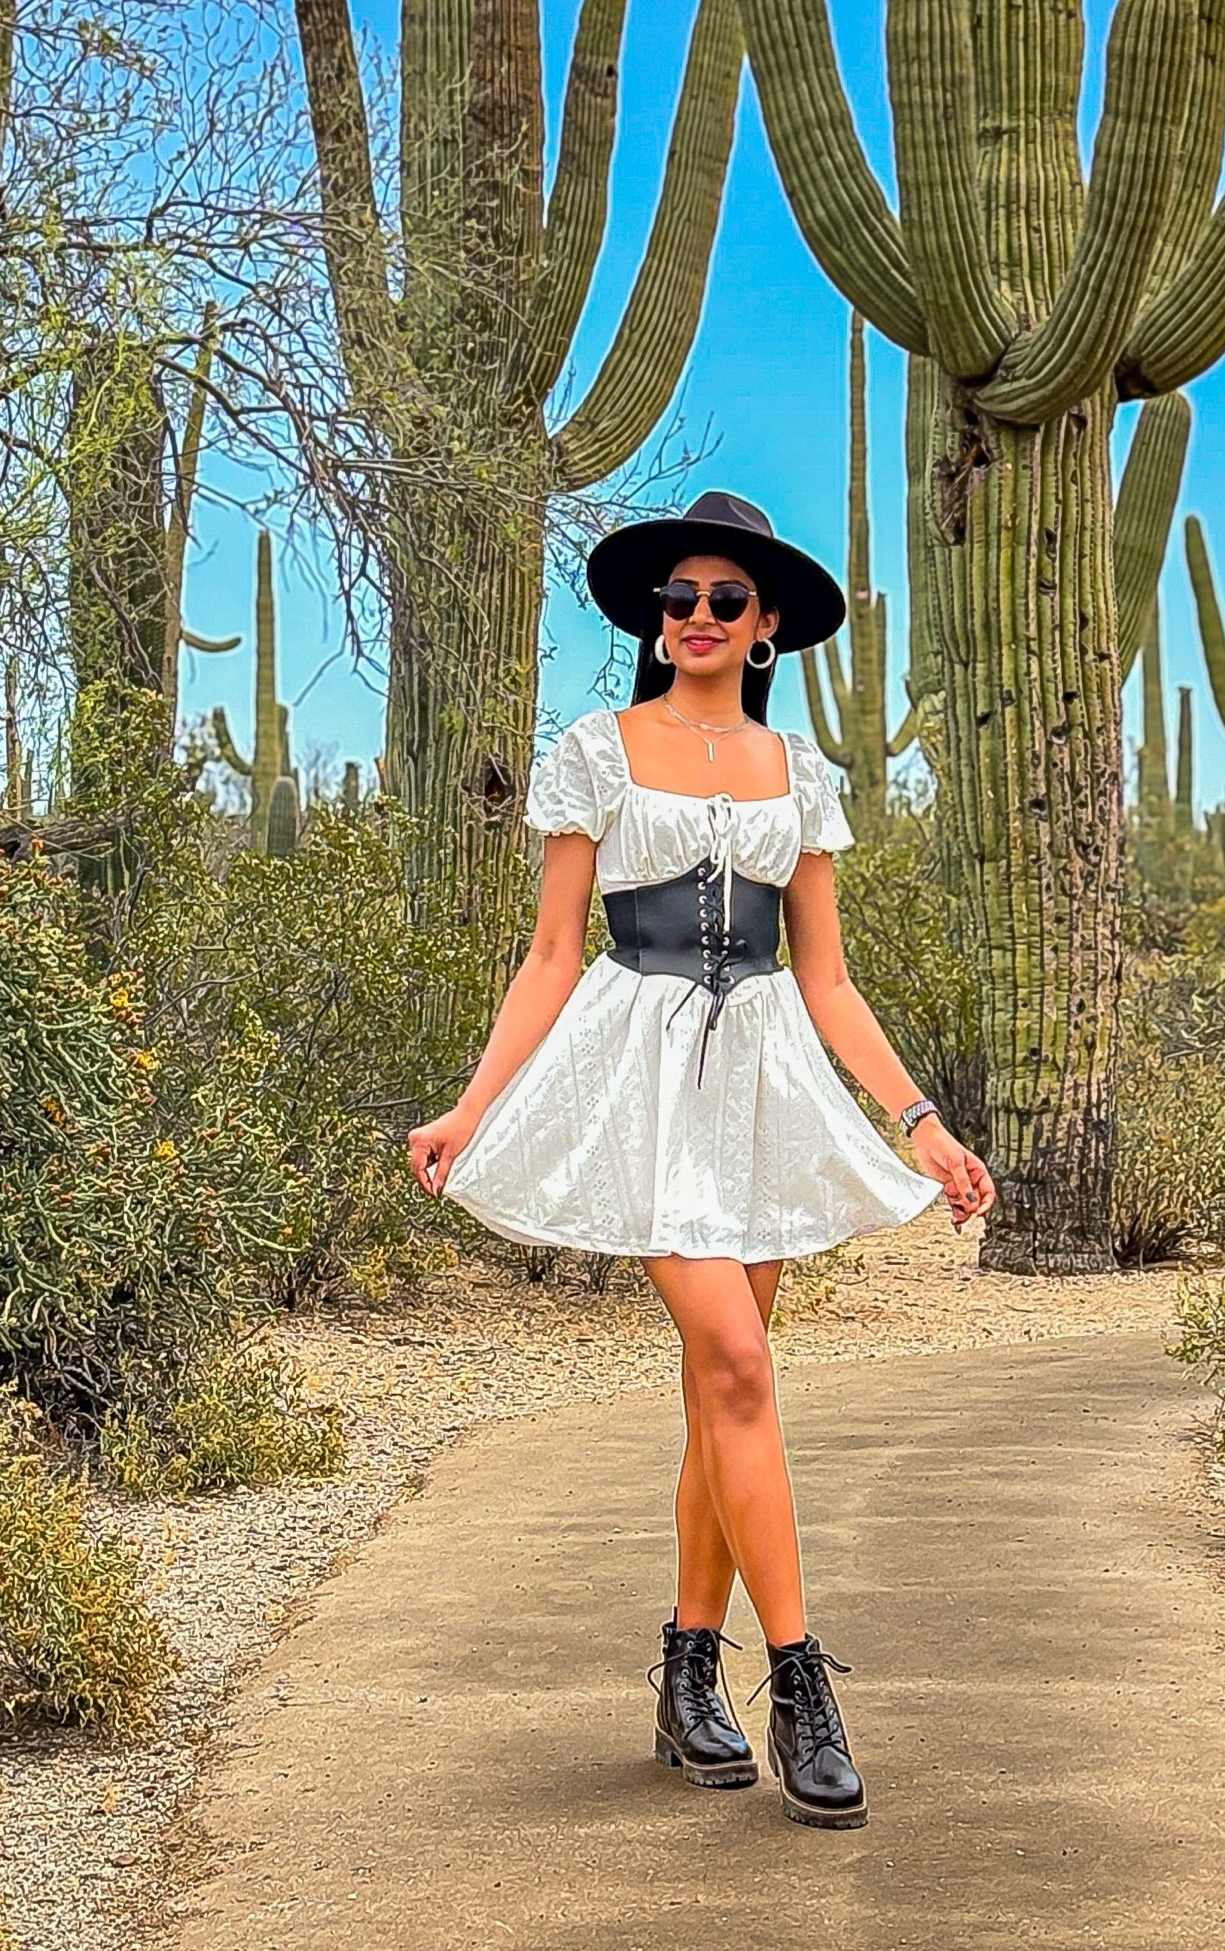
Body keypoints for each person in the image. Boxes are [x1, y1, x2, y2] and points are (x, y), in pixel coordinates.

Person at [408, 491, 996, 1831]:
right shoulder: (596, 753)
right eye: (678, 600)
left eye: (725, 602)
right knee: (738, 1364)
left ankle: (685, 1676)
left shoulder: (802, 777)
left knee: (714, 1400)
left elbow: (829, 981)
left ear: (768, 627)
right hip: (643, 1074)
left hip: (764, 1083)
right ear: (654, 619)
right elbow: (554, 955)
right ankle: (800, 1684)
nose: (697, 620)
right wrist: (469, 1109)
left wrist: (922, 1122)